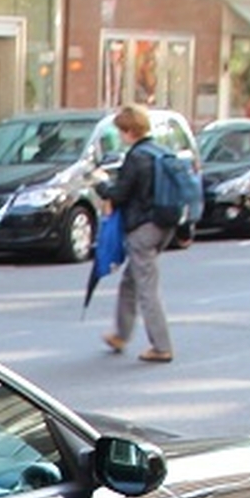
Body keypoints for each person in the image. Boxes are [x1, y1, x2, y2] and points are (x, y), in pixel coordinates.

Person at [97, 104, 173, 363]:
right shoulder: (161, 152)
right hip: (165, 225)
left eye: (121, 131)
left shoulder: (137, 157)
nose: (120, 136)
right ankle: (120, 333)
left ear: (129, 130)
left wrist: (102, 186)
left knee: (146, 288)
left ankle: (161, 346)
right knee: (131, 281)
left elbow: (121, 193)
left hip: (143, 228)